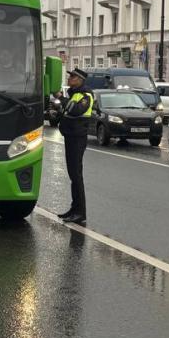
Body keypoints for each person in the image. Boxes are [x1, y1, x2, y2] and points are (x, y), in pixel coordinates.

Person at [53, 68, 94, 224]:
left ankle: (80, 213)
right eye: (70, 76)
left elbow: (74, 109)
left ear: (80, 80)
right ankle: (74, 208)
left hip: (77, 138)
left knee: (76, 176)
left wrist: (61, 100)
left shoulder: (85, 95)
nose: (69, 78)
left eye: (72, 76)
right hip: (70, 136)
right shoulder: (74, 93)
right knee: (73, 175)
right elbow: (65, 111)